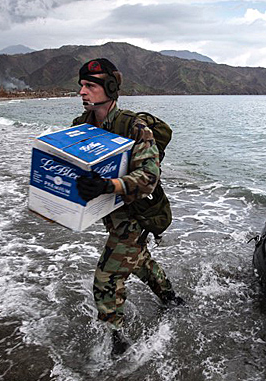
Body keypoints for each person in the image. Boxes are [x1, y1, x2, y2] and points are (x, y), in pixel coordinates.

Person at [72, 58, 184, 355]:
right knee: (139, 261)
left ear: (110, 88)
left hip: (136, 213)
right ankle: (170, 297)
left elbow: (148, 177)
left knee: (106, 276)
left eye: (90, 86)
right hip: (110, 214)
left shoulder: (134, 127)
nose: (82, 91)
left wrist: (109, 186)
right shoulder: (80, 127)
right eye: (81, 85)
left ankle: (117, 340)